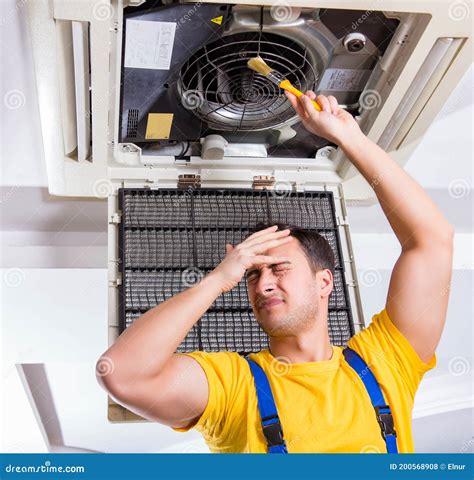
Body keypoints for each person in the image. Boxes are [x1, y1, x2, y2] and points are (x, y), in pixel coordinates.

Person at [96, 91, 454, 453]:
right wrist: (218, 280)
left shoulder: (384, 363)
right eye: (252, 275)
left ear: (324, 282)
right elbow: (123, 374)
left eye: (279, 268)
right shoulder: (234, 386)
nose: (263, 284)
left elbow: (432, 240)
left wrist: (349, 138)